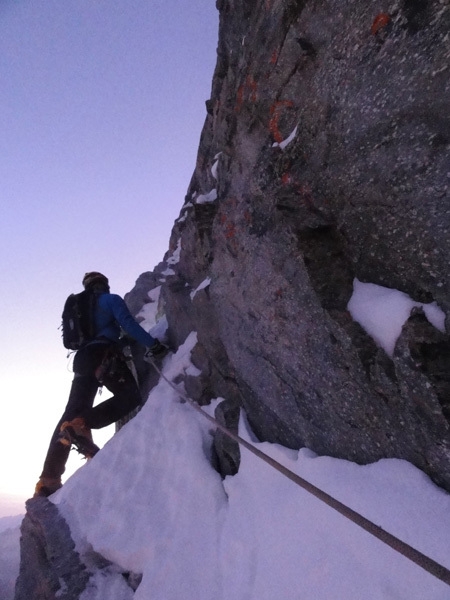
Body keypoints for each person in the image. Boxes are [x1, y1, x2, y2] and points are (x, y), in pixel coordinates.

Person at [34, 271, 167, 498]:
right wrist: (152, 345)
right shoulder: (109, 300)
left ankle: (48, 480)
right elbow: (128, 323)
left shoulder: (82, 308)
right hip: (103, 355)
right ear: (104, 284)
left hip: (82, 359)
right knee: (130, 396)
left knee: (72, 410)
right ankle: (83, 425)